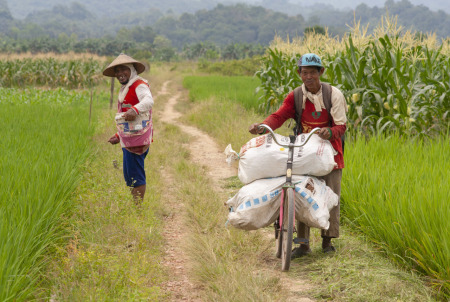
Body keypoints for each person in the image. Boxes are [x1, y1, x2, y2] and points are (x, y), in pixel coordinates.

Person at [249, 53, 347, 258]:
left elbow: (341, 125)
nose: (309, 76)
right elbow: (280, 115)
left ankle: (327, 241)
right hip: (306, 151)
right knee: (303, 193)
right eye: (305, 72)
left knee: (331, 194)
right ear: (299, 73)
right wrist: (263, 127)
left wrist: (329, 132)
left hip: (330, 151)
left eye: (313, 72)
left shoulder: (333, 94)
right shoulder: (295, 96)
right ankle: (302, 244)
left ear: (321, 72)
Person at [104, 53, 154, 202]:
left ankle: (137, 212)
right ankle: (135, 206)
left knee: (136, 175)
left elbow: (149, 101)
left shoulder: (139, 85)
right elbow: (126, 118)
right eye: (117, 71)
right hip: (130, 138)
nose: (119, 74)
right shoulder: (127, 87)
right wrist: (119, 136)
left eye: (123, 69)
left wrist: (135, 110)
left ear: (132, 69)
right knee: (130, 174)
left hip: (137, 139)